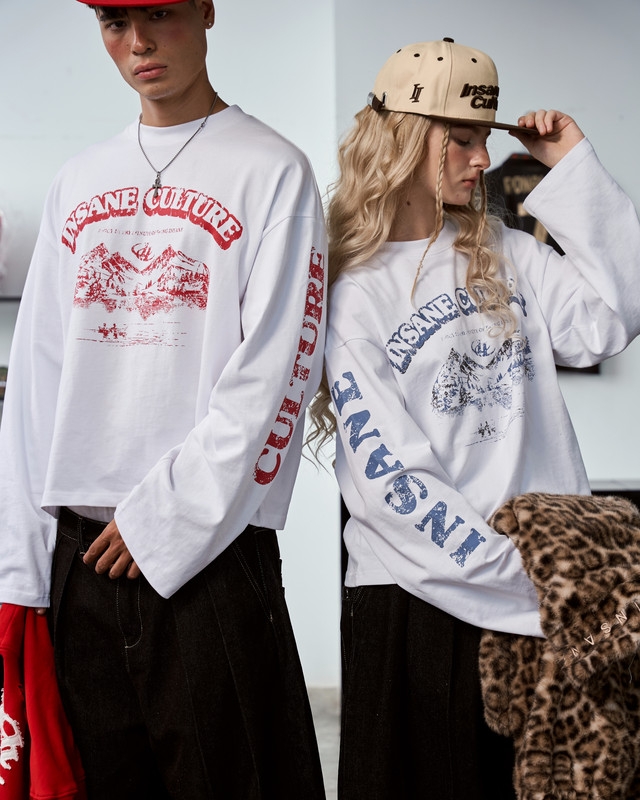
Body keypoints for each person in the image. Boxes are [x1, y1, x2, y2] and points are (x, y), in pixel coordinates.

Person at [0, 1, 327, 797]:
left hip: (208, 554)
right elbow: (37, 378)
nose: (138, 42)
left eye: (158, 14)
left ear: (206, 12)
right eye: (114, 22)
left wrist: (165, 520)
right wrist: (18, 571)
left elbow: (277, 368)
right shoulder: (79, 179)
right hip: (79, 561)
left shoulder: (272, 170)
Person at [309, 37, 640, 799]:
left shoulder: (507, 251)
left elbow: (613, 319)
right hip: (420, 601)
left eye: (484, 137)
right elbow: (393, 478)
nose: (482, 158)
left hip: (541, 592)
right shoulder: (355, 290)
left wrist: (573, 167)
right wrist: (527, 579)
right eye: (460, 139)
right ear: (400, 139)